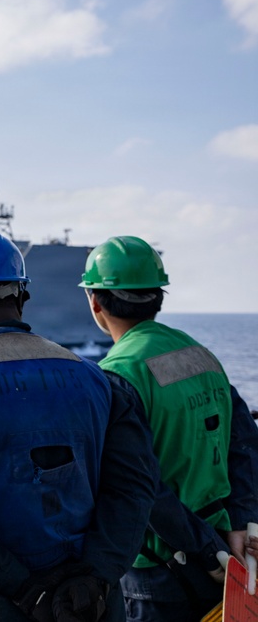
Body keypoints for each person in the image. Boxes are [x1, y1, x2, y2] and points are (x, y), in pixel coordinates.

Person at [0, 230, 158, 622]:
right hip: (91, 606)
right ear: (22, 297)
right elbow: (134, 488)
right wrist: (95, 577)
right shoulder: (98, 380)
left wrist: (24, 588)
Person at [80, 235, 258, 621]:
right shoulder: (200, 354)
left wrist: (206, 549)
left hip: (159, 570)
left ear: (95, 303)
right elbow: (245, 442)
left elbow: (137, 484)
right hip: (224, 552)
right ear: (158, 297)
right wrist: (241, 523)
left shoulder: (116, 375)